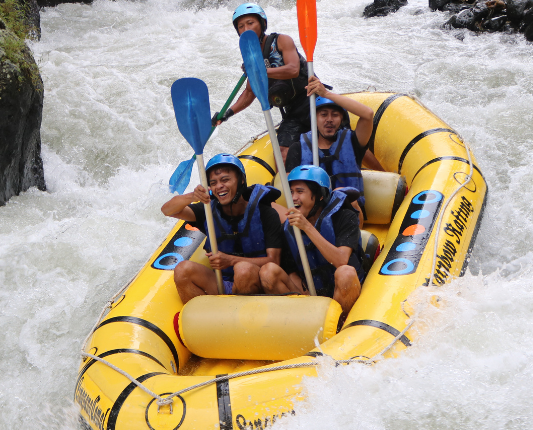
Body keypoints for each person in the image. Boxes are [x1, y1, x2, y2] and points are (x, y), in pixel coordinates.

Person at [161, 154, 283, 303]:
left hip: (255, 282)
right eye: (214, 183)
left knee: (243, 270)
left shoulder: (265, 212)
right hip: (221, 282)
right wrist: (192, 196)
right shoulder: (207, 210)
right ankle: (206, 321)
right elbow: (167, 210)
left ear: (241, 180)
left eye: (225, 180)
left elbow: (274, 261)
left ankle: (242, 320)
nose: (219, 186)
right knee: (182, 270)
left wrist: (231, 260)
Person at [260, 166, 364, 321]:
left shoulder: (344, 216)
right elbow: (291, 271)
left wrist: (307, 227)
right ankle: (301, 322)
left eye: (300, 192)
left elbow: (341, 260)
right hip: (311, 294)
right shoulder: (289, 229)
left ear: (319, 195)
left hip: (343, 290)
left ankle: (337, 325)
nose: (294, 197)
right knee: (268, 271)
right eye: (292, 192)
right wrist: (305, 295)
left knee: (345, 273)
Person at [213, 3, 312, 160]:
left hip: (312, 100)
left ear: (262, 23)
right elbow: (250, 91)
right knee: (282, 153)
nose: (246, 29)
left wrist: (260, 71)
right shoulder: (251, 57)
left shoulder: (281, 40)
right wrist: (227, 114)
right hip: (291, 112)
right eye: (241, 26)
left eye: (250, 23)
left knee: (338, 139)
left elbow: (293, 69)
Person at [284, 76, 382, 225]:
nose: (329, 119)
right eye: (323, 115)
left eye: (335, 115)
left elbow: (367, 114)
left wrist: (326, 94)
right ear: (315, 119)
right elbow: (293, 193)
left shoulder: (354, 142)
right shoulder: (297, 148)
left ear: (341, 119)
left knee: (348, 200)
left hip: (349, 213)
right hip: (314, 214)